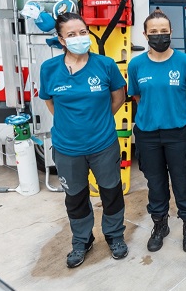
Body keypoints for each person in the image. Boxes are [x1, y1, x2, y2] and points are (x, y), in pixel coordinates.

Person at [39, 13, 128, 268]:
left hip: (103, 145)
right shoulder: (49, 69)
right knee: (75, 197)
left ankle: (114, 236)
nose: (79, 38)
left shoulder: (105, 65)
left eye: (83, 32)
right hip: (68, 149)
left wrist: (97, 121)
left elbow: (118, 98)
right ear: (61, 40)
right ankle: (82, 240)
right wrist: (72, 126)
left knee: (111, 193)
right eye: (71, 34)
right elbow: (50, 102)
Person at [128, 9, 186, 253]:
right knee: (155, 183)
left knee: (183, 181)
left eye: (164, 31)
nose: (160, 36)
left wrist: (178, 115)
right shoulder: (136, 65)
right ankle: (160, 225)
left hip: (178, 133)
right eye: (154, 32)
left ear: (171, 32)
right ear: (145, 34)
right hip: (148, 135)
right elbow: (137, 96)